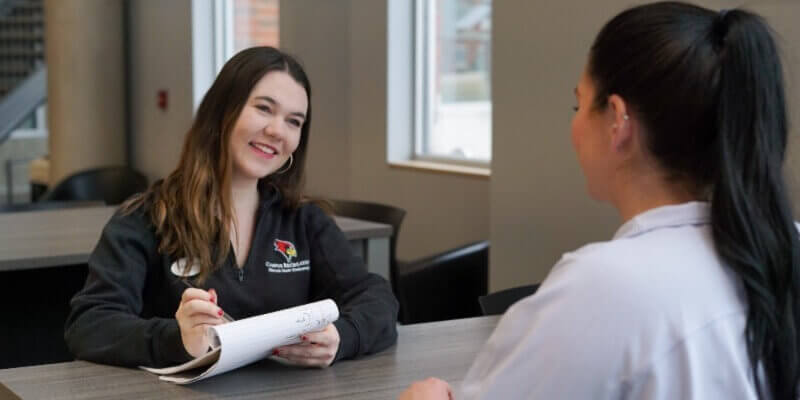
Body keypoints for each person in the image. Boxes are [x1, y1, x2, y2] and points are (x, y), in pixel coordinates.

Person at [400, 2, 799, 399]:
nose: (573, 124)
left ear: (616, 119)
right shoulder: (783, 249)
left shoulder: (604, 288)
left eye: (579, 104)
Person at [64, 46, 398, 368]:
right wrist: (178, 339)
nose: (277, 131)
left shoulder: (304, 221)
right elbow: (90, 324)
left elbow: (377, 297)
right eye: (264, 108)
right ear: (223, 110)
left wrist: (344, 337)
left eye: (294, 121)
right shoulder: (146, 216)